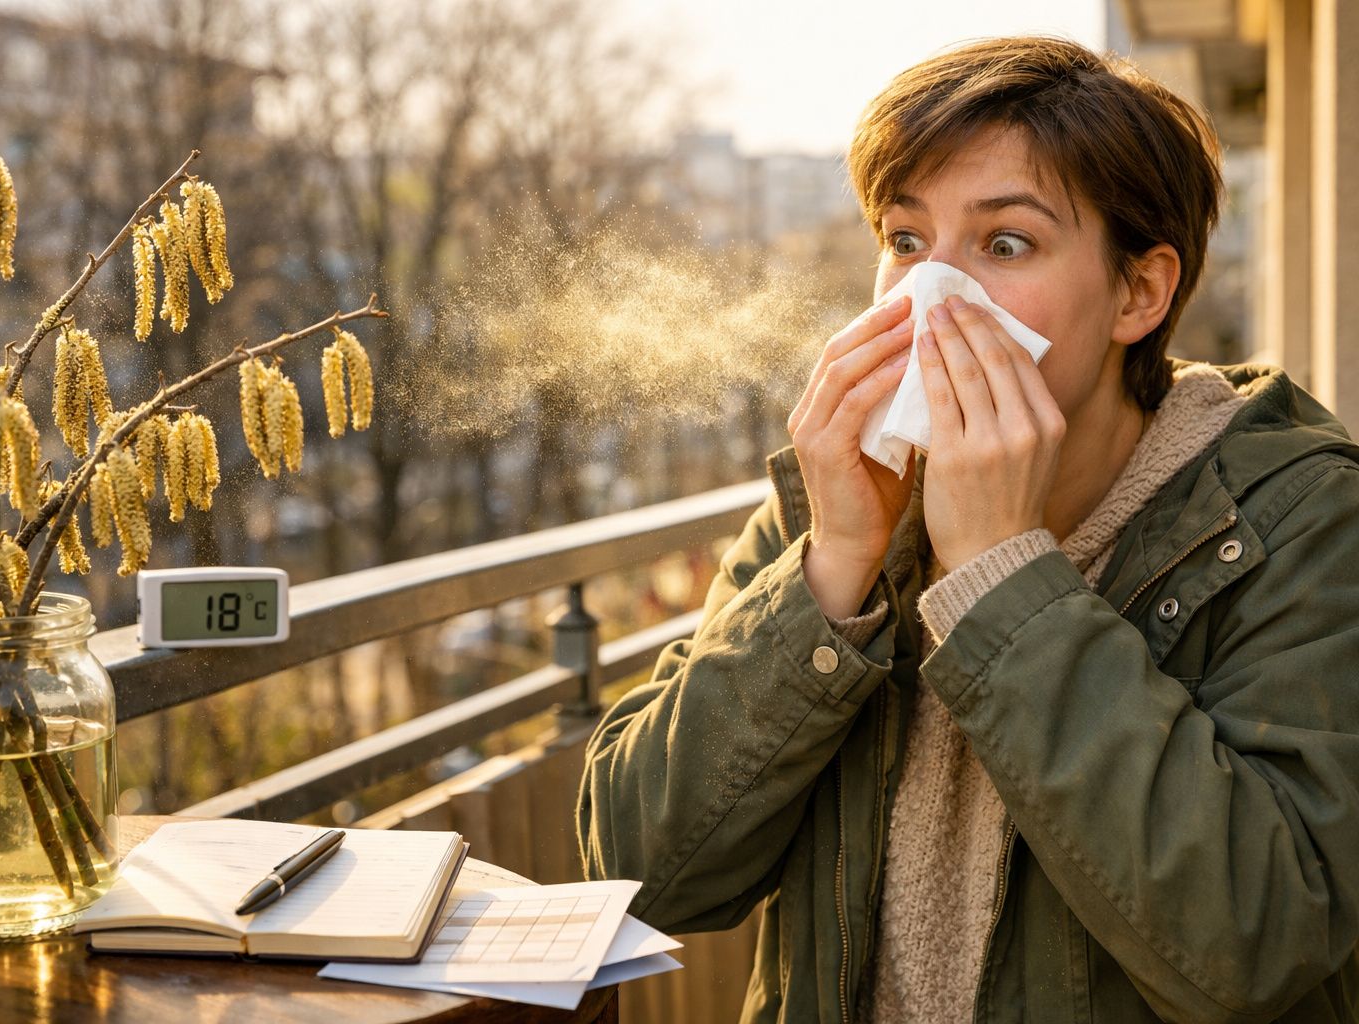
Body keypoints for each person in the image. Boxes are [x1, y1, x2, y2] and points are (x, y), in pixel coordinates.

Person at [576, 35, 1359, 1024]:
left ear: (1140, 292)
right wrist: (833, 567)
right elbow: (636, 871)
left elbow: (1258, 946)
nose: (926, 299)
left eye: (1005, 244)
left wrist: (1001, 578)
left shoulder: (1299, 522)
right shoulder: (845, 500)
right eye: (905, 242)